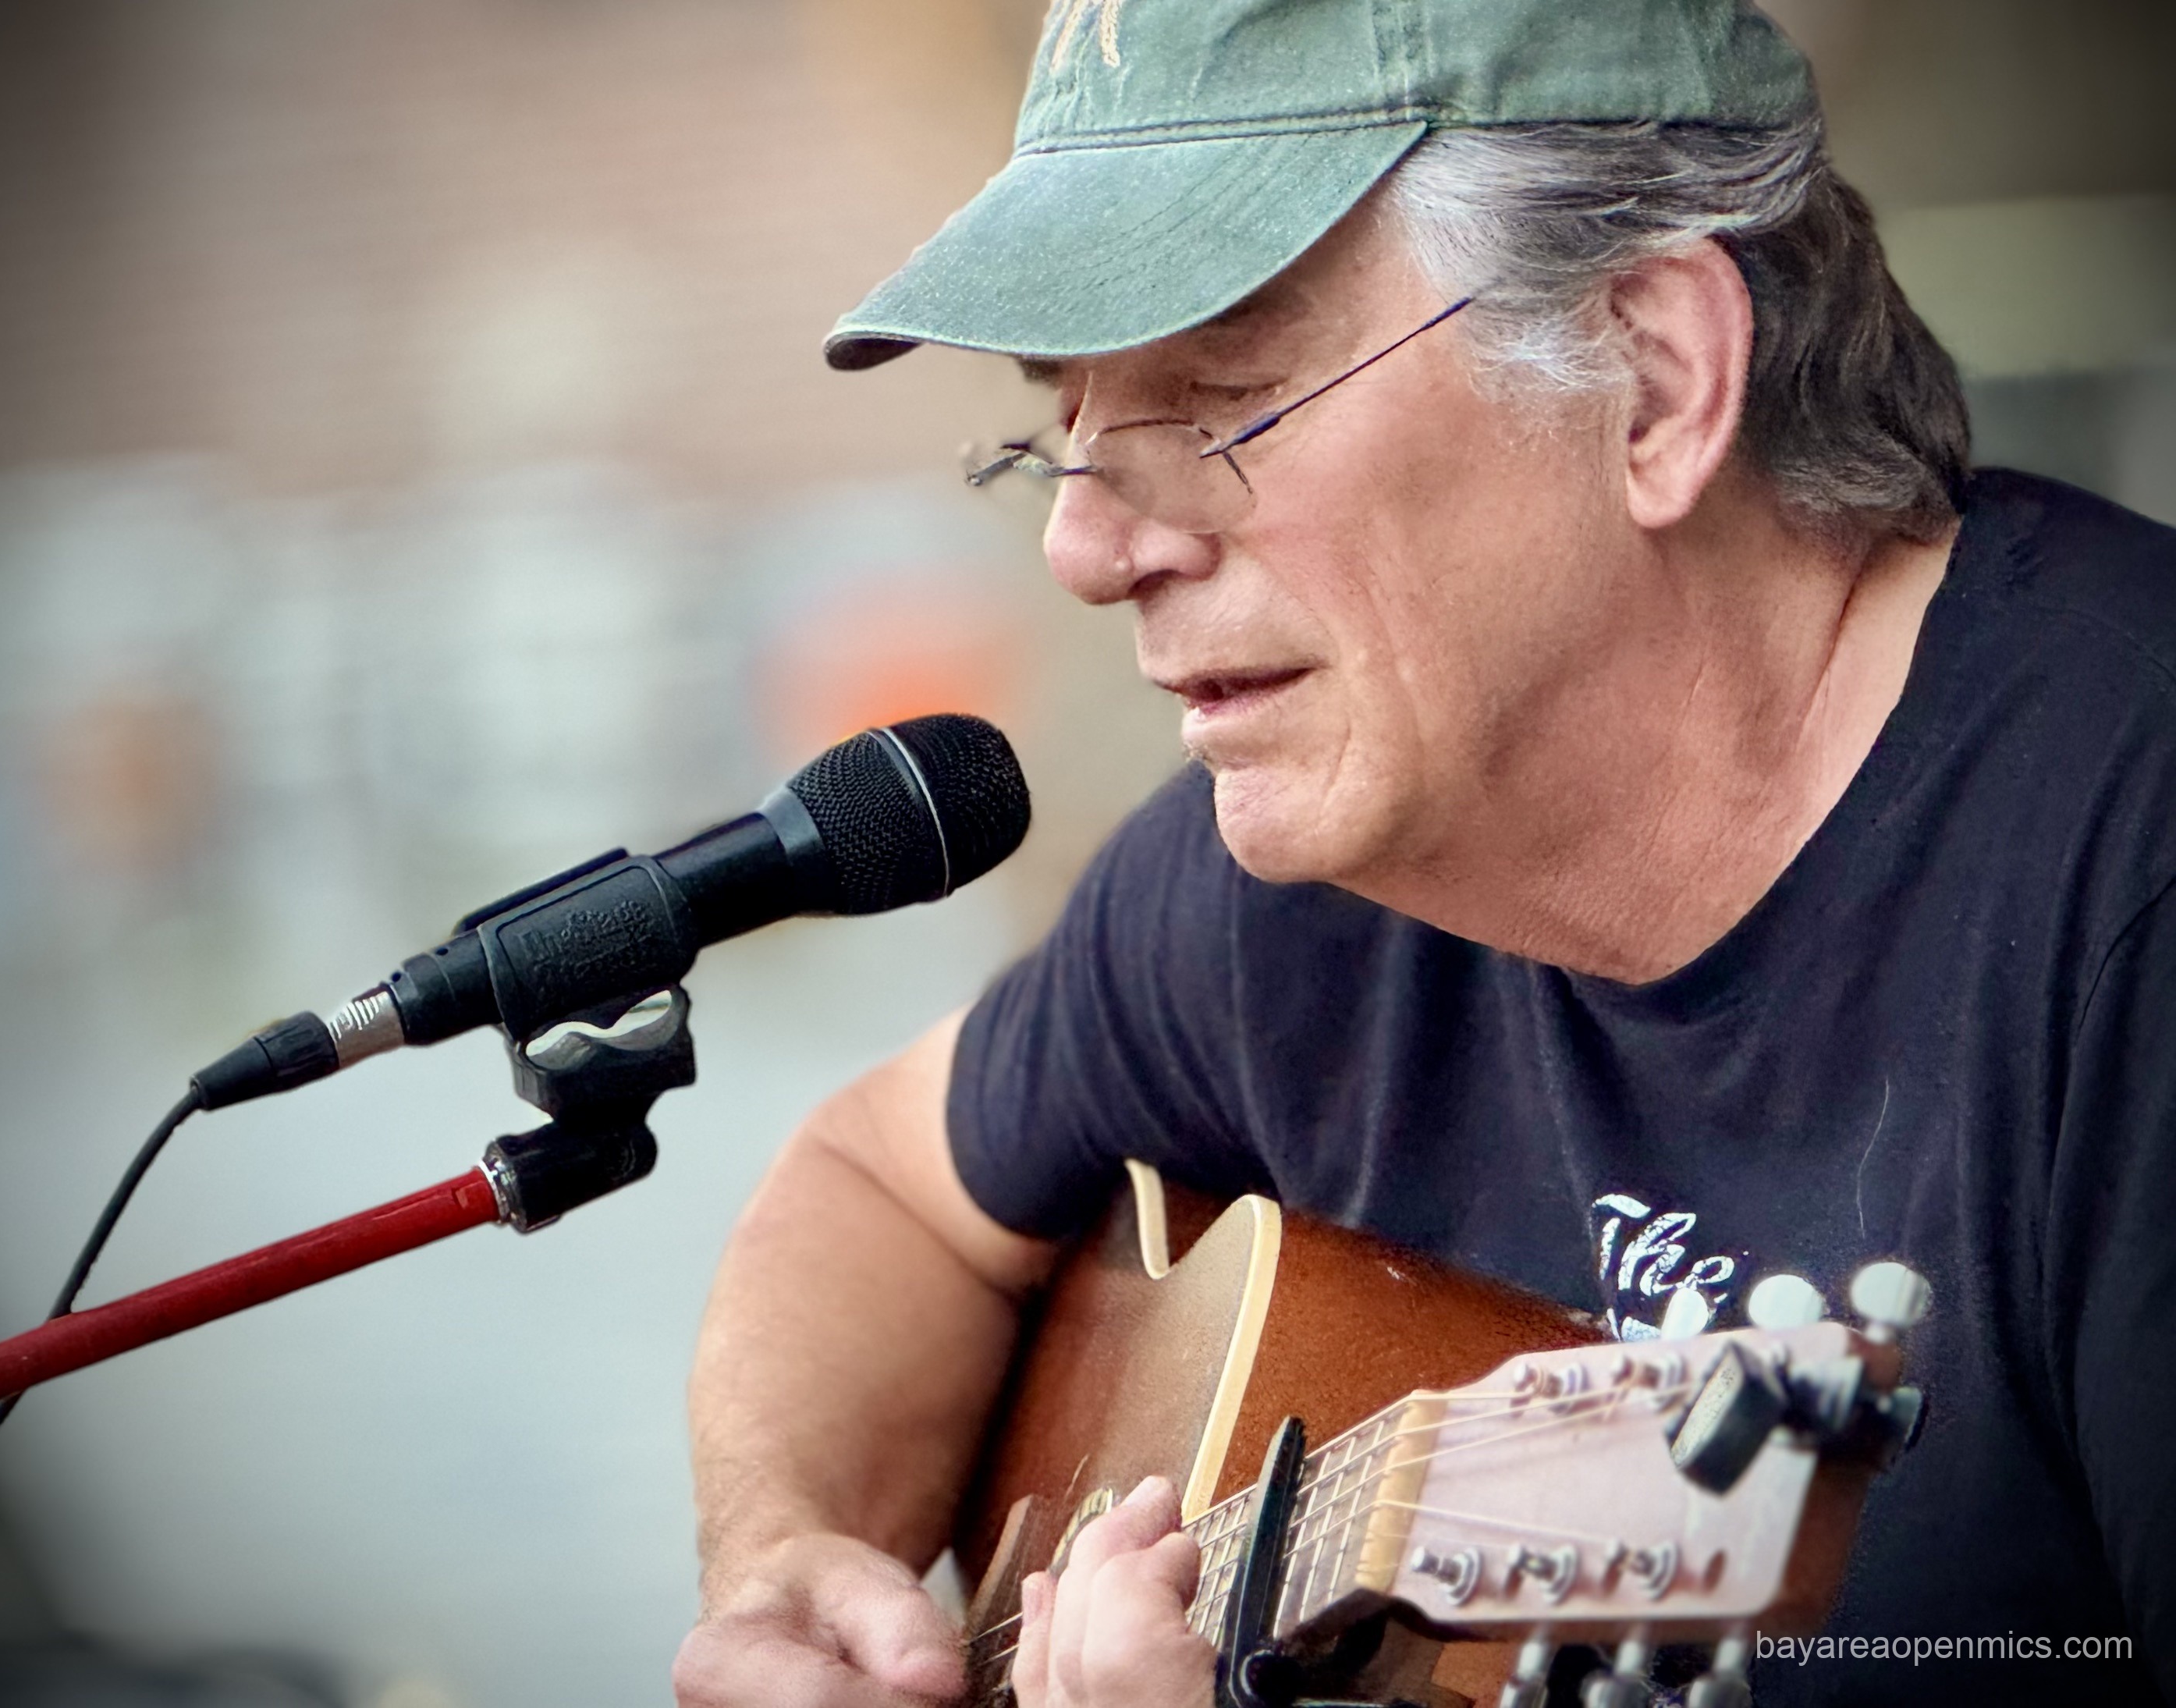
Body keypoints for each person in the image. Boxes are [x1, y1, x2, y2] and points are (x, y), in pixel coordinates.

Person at [673, 1, 2176, 1703]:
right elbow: (885, 1188)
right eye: (1064, 433)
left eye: (1223, 396)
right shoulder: (1289, 889)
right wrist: (788, 1553)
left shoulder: (2125, 890)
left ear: (1651, 381)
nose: (1085, 546)